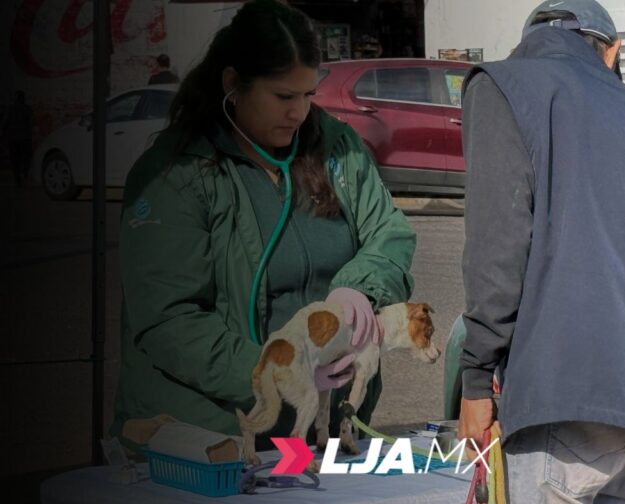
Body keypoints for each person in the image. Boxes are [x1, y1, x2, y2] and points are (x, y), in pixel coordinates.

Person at [112, 0, 416, 453]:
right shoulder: (177, 174)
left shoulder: (335, 147)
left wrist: (361, 287)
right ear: (233, 84)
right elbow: (168, 320)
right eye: (283, 97)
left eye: (308, 95)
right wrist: (281, 372)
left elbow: (389, 232)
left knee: (308, 495)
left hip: (313, 434)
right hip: (217, 435)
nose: (299, 113)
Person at [457, 1, 625, 504]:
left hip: (562, 403)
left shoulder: (507, 86)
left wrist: (474, 382)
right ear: (612, 51)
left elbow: (497, 249)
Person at [3, 91, 34, 187]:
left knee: (14, 159)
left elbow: (4, 123)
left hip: (12, 138)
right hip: (25, 138)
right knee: (25, 158)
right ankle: (25, 174)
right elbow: (32, 122)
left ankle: (17, 179)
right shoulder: (27, 109)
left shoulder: (10, 109)